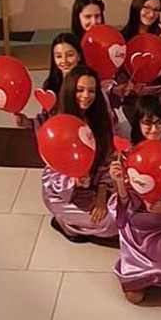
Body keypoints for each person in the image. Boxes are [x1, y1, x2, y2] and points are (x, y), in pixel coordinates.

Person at [108, 96, 161, 303]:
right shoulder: (128, 154)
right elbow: (124, 202)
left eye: (159, 122)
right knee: (134, 296)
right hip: (135, 223)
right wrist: (119, 181)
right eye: (147, 123)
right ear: (138, 124)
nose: (154, 129)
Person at [42, 65, 117, 242]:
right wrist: (73, 181)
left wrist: (101, 194)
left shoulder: (101, 118)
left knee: (124, 213)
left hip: (94, 184)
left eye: (91, 91)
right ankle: (65, 224)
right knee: (111, 223)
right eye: (80, 90)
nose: (86, 96)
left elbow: (107, 158)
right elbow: (51, 173)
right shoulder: (59, 123)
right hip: (63, 191)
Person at [110, 0, 161, 148]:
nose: (151, 14)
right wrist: (127, 86)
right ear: (137, 7)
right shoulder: (123, 37)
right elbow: (117, 73)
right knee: (146, 135)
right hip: (135, 98)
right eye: (147, 8)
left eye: (156, 10)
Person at [14, 33, 83, 133]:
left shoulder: (88, 83)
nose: (64, 60)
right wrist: (28, 122)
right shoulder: (51, 84)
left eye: (70, 55)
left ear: (79, 56)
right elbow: (47, 119)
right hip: (58, 137)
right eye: (59, 56)